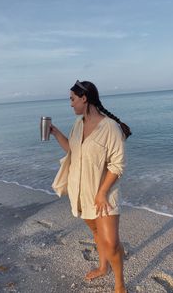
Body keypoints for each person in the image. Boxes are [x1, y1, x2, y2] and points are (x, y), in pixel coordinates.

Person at [50, 80, 131, 293]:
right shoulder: (78, 124)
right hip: (82, 192)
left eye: (72, 99)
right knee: (96, 232)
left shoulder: (109, 128)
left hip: (104, 193)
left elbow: (118, 165)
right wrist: (55, 132)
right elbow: (73, 150)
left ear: (84, 98)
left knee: (111, 242)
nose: (70, 104)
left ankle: (120, 285)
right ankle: (103, 267)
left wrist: (102, 193)